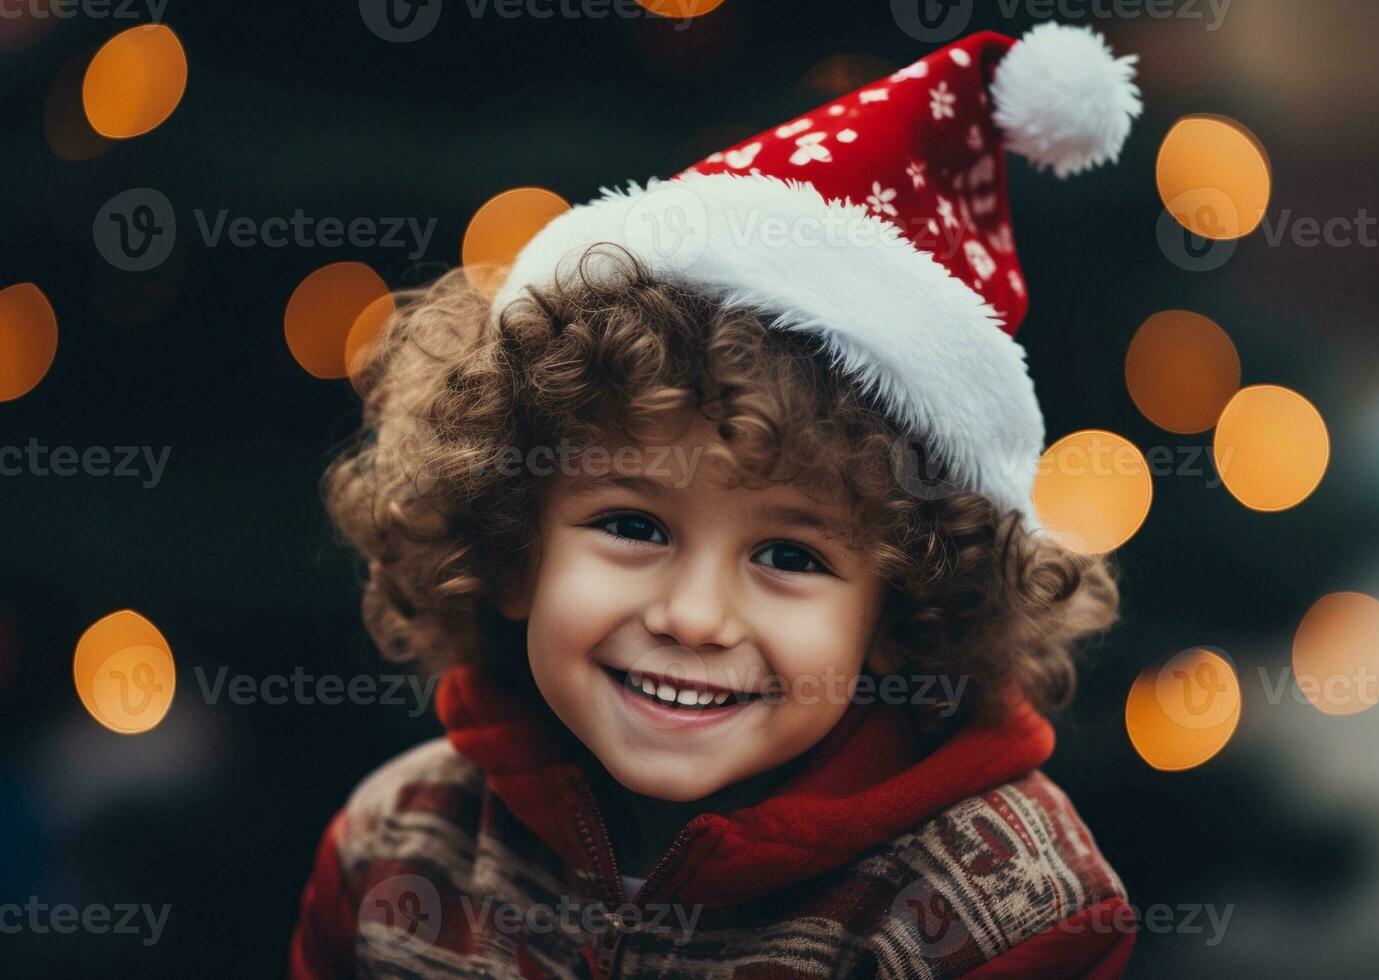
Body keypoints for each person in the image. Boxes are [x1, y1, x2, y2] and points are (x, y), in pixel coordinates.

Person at [290, 22, 1143, 978]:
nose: (694, 618)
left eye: (789, 556)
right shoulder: (393, 850)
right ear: (510, 542)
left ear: (902, 612)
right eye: (632, 526)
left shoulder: (1006, 917)